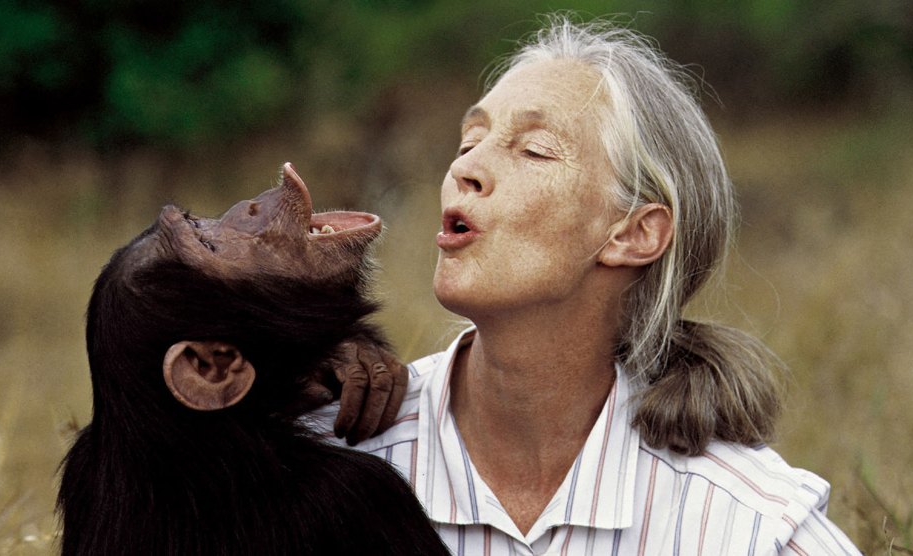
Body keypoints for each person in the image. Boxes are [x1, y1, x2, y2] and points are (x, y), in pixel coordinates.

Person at [313, 15, 859, 555]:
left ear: (635, 233)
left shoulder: (750, 527)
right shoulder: (324, 453)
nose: (467, 167)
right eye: (466, 143)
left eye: (534, 151)